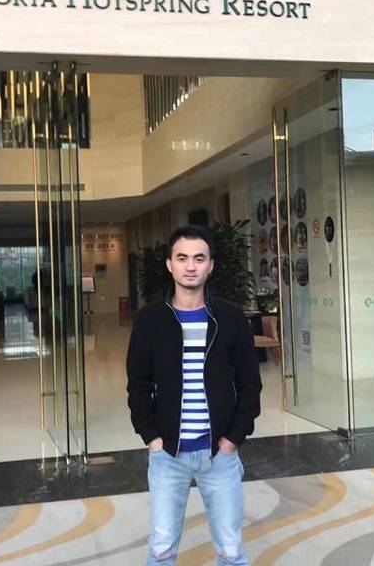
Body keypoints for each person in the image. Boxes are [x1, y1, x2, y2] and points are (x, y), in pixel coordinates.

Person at [127, 225, 262, 566]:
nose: (190, 266)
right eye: (182, 258)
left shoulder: (230, 318)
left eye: (199, 258)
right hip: (167, 455)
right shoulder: (151, 320)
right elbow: (138, 384)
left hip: (219, 453)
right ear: (169, 264)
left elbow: (250, 384)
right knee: (161, 548)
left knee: (231, 550)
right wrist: (152, 437)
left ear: (210, 266)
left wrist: (232, 439)